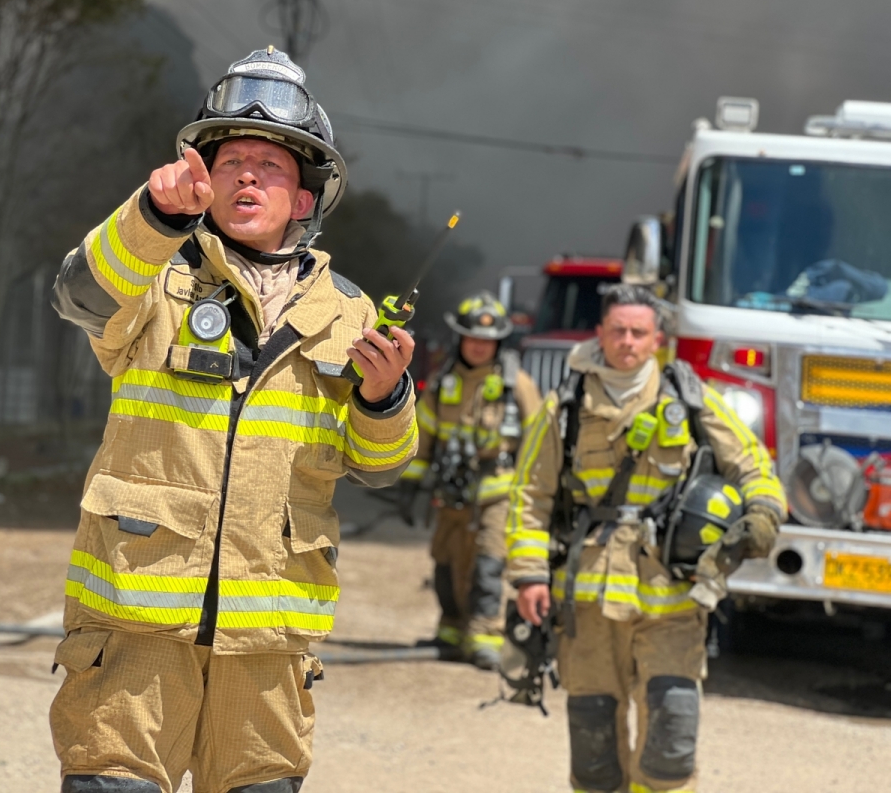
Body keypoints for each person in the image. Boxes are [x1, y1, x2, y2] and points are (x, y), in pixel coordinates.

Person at [47, 46, 418, 793]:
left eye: (272, 166)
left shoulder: (349, 313)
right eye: (232, 161)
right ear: (203, 182)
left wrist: (385, 401)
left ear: (307, 199)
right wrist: (151, 217)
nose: (247, 174)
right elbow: (79, 298)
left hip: (268, 650)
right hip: (133, 630)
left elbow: (380, 466)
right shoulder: (154, 275)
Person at [506, 283, 785, 793]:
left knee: (670, 743)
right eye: (618, 331)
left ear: (657, 338)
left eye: (639, 332)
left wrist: (764, 511)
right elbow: (529, 494)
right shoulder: (564, 407)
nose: (627, 341)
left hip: (673, 602)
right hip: (587, 603)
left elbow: (754, 463)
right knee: (594, 752)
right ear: (600, 334)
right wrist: (528, 577)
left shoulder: (691, 398)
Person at [400, 292, 541, 669]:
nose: (479, 346)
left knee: (488, 565)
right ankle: (451, 629)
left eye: (488, 340)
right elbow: (423, 433)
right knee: (445, 564)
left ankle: (485, 635)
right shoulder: (445, 382)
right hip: (452, 493)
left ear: (499, 342)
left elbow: (539, 441)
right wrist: (410, 482)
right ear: (460, 339)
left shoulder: (518, 386)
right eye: (472, 338)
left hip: (498, 492)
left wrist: (537, 496)